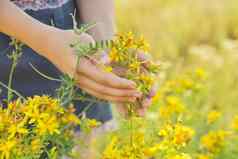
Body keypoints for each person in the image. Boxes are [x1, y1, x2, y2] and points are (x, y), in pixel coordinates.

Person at [0, 0, 154, 147]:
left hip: (74, 42)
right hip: (8, 47)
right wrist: (45, 39)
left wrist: (107, 47)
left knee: (80, 143)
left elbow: (102, 47)